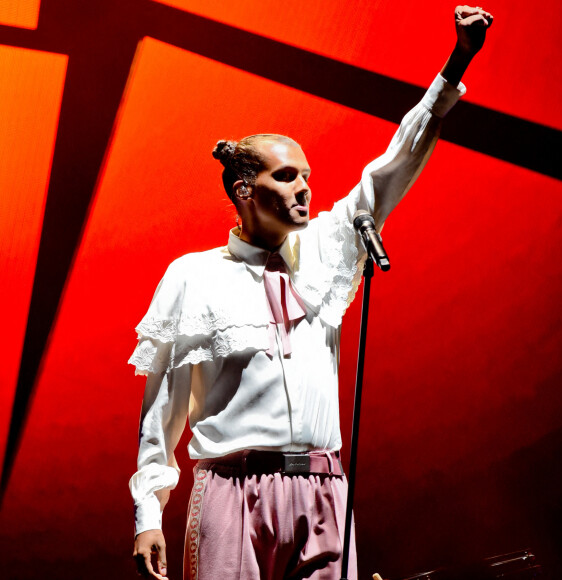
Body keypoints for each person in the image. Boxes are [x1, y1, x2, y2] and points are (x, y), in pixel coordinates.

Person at [130, 6, 493, 579]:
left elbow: (396, 161)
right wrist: (148, 510)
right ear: (244, 190)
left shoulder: (328, 247)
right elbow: (163, 410)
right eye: (286, 176)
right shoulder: (192, 275)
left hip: (324, 488)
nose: (305, 186)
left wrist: (456, 62)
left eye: (305, 173)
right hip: (233, 487)